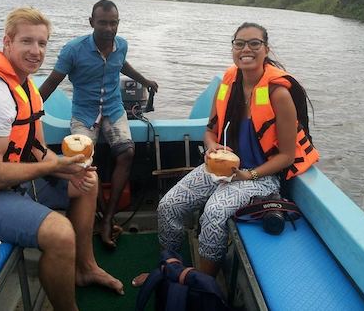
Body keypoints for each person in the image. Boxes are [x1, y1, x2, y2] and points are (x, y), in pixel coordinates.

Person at [0, 7, 123, 311]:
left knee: (87, 181)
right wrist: (53, 166)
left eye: (42, 44)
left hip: (2, 184)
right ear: (7, 42)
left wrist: (68, 169)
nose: (36, 51)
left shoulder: (26, 86)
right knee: (60, 233)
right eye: (26, 42)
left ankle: (85, 268)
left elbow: (36, 149)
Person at [133, 22, 319, 285]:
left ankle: (200, 284)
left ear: (266, 49)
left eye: (254, 43)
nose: (247, 49)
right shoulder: (228, 84)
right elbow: (209, 131)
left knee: (214, 212)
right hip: (220, 167)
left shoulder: (279, 94)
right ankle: (169, 267)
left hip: (259, 176)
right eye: (239, 43)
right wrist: (213, 147)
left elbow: (286, 156)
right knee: (169, 205)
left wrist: (247, 175)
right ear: (233, 48)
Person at [39, 0, 158, 249]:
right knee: (83, 162)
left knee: (127, 152)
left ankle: (108, 218)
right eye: (103, 22)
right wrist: (26, 111)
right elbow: (51, 83)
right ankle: (102, 216)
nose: (108, 28)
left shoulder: (121, 45)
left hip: (114, 109)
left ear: (118, 24)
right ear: (91, 22)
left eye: (113, 23)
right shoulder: (73, 50)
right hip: (84, 112)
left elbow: (122, 65)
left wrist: (144, 80)